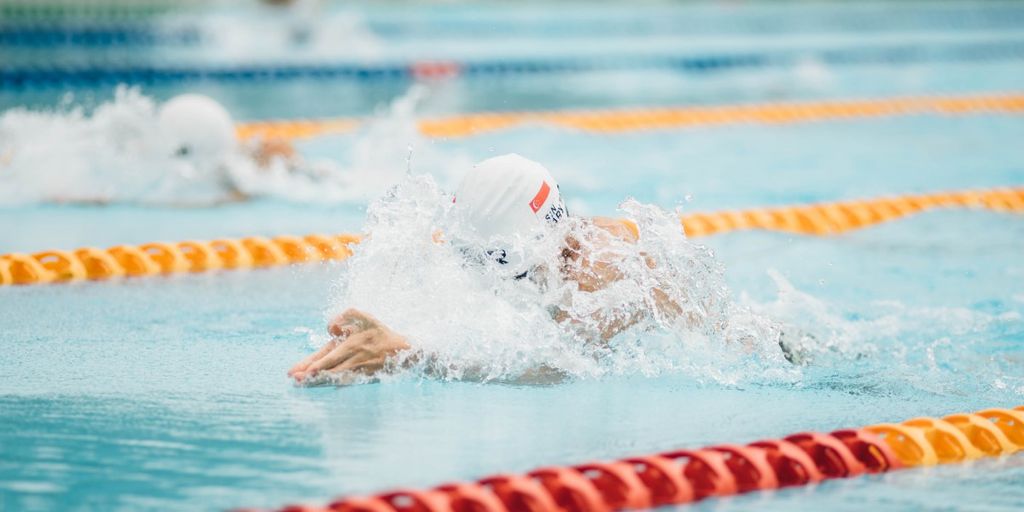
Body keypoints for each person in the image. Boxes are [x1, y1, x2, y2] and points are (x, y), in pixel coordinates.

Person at [287, 153, 690, 384]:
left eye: (512, 271)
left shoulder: (603, 267)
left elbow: (550, 370)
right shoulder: (511, 242)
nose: (496, 281)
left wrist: (411, 355)